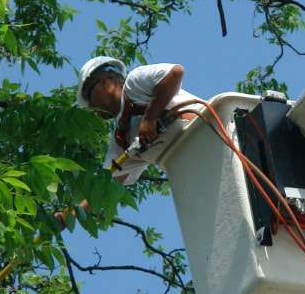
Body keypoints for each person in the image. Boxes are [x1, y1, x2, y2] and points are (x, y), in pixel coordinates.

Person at [59, 57, 202, 223]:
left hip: (215, 128)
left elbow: (175, 72)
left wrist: (150, 118)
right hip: (196, 165)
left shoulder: (135, 84)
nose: (91, 107)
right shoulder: (121, 141)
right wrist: (68, 216)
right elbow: (105, 187)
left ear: (105, 81)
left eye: (89, 95)